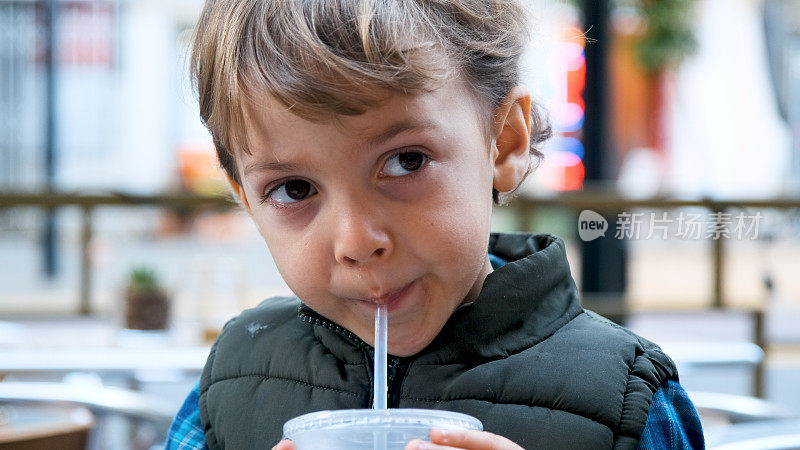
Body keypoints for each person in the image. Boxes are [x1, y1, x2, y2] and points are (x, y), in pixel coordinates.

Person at [167, 0, 705, 449]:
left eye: (406, 161)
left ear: (504, 143)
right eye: (294, 190)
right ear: (246, 200)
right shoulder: (232, 384)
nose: (357, 241)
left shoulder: (626, 403)